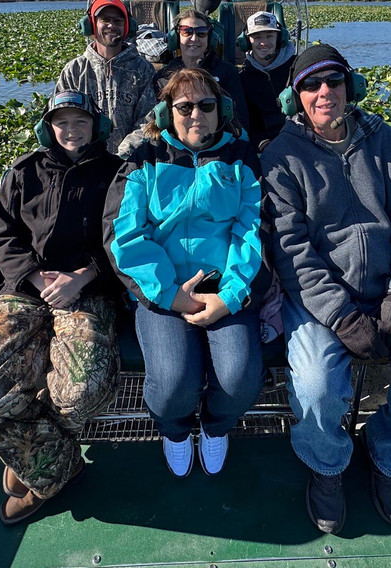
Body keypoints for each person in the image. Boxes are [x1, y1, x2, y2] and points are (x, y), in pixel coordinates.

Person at [261, 44, 391, 535]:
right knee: (315, 387)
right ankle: (327, 466)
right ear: (296, 98)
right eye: (310, 85)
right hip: (320, 302)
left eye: (333, 81)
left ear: (350, 87)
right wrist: (340, 316)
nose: (323, 92)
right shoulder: (280, 158)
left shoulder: (387, 142)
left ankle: (390, 457)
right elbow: (292, 254)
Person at [0, 91, 123, 525]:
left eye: (81, 122)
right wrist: (36, 276)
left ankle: (33, 460)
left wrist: (83, 277)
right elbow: (1, 237)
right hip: (25, 289)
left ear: (97, 126)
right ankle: (56, 468)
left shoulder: (117, 174)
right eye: (62, 122)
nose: (72, 130)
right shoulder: (23, 172)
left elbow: (125, 242)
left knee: (80, 396)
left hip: (90, 290)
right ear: (48, 127)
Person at [103, 67, 264, 478]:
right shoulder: (144, 161)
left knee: (241, 379)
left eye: (206, 105)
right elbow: (124, 234)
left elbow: (254, 228)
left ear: (221, 110)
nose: (197, 114)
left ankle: (215, 426)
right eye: (184, 106)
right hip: (164, 292)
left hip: (226, 287)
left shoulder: (242, 159)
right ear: (166, 113)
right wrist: (170, 293)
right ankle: (174, 431)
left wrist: (229, 296)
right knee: (174, 386)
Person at [57, 0, 158, 156]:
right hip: (86, 162)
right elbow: (61, 120)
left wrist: (123, 155)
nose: (111, 25)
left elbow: (148, 121)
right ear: (91, 25)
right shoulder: (74, 71)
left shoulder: (143, 70)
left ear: (127, 27)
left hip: (130, 163)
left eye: (118, 21)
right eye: (105, 20)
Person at [154, 8, 250, 131]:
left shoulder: (227, 72)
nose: (194, 38)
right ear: (176, 37)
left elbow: (240, 120)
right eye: (186, 31)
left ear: (210, 38)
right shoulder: (163, 77)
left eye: (202, 32)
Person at [238, 10, 296, 149]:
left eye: (269, 36)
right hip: (264, 146)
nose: (263, 42)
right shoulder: (242, 78)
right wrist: (262, 144)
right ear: (247, 41)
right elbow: (245, 121)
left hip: (299, 138)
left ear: (280, 38)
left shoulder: (298, 67)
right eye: (257, 37)